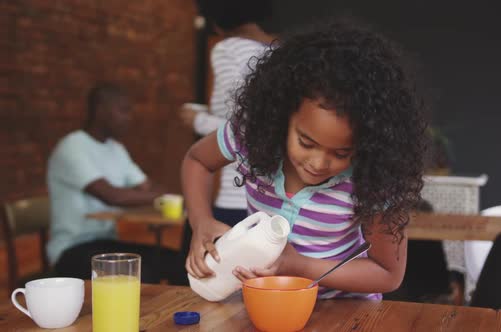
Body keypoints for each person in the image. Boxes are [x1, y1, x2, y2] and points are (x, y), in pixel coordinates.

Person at [182, 21, 427, 299]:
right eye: (306, 142)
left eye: (341, 153)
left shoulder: (373, 180)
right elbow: (197, 161)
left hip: (345, 312)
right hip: (265, 304)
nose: (319, 163)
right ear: (282, 115)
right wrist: (200, 220)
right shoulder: (250, 135)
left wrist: (300, 266)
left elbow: (387, 274)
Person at [47, 83, 181, 284]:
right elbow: (112, 196)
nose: (129, 118)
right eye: (123, 110)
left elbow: (147, 187)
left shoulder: (116, 149)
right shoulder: (72, 147)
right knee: (142, 273)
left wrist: (157, 195)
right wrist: (162, 198)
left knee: (175, 260)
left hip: (106, 243)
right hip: (72, 248)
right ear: (101, 110)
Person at [179, 0, 274, 227]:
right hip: (273, 199)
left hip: (237, 194)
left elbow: (247, 126)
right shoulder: (282, 53)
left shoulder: (228, 49)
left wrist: (198, 120)